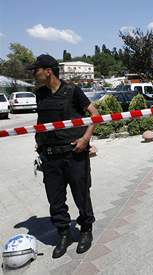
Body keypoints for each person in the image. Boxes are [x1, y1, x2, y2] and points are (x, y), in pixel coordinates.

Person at [26, 54, 99, 258]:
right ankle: (64, 233)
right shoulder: (40, 94)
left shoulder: (73, 91)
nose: (34, 74)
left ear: (48, 71)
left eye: (36, 70)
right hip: (50, 157)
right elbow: (43, 122)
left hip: (74, 154)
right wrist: (40, 140)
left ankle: (85, 231)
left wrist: (85, 138)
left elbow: (95, 114)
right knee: (55, 200)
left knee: (81, 195)